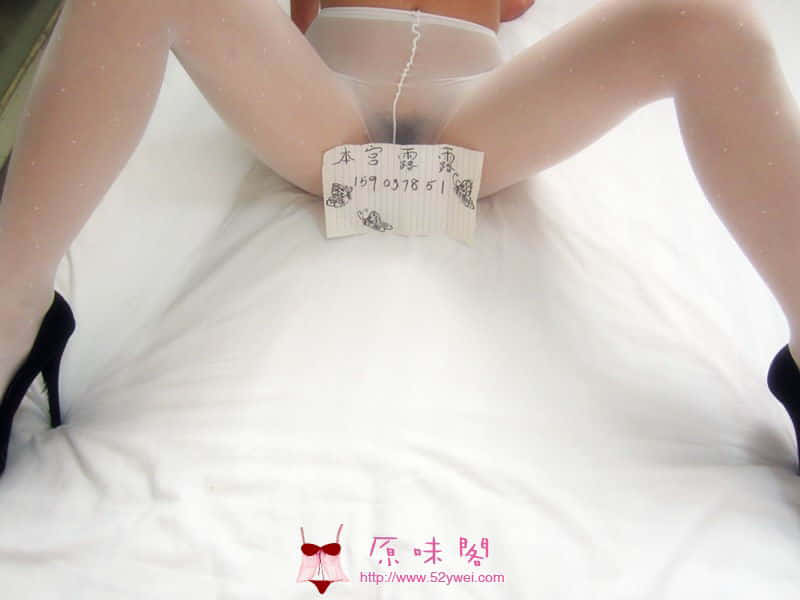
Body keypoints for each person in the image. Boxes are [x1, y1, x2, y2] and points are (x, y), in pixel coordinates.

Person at [1, 0, 799, 476]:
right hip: (324, 116)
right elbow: (294, 22)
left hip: (475, 124)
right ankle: (10, 316)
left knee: (716, 21)